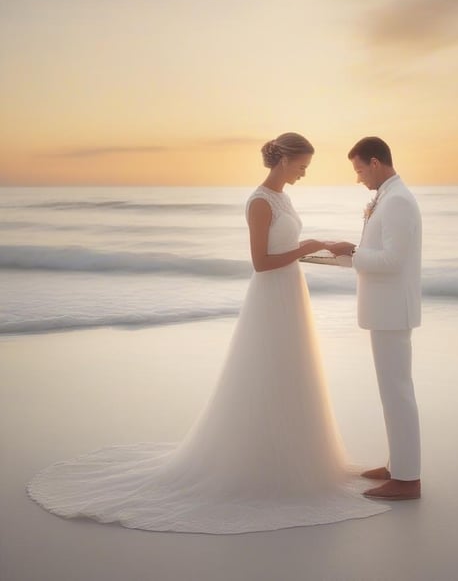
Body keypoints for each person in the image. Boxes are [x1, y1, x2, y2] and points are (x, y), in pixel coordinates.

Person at [27, 133, 389, 534]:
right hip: (270, 295)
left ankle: (288, 456)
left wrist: (317, 248)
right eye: (302, 166)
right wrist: (311, 245)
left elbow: (284, 248)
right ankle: (257, 462)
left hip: (291, 293)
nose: (304, 174)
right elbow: (261, 262)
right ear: (284, 161)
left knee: (290, 375)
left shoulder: (284, 197)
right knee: (264, 374)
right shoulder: (259, 202)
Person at [328, 137, 422, 501]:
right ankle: (398, 465)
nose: (358, 178)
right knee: (392, 392)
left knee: (398, 393)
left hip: (393, 311)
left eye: (359, 170)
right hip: (386, 309)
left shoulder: (397, 201)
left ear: (375, 163)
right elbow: (379, 253)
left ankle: (408, 479)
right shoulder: (388, 197)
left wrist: (352, 254)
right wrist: (347, 254)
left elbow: (392, 261)